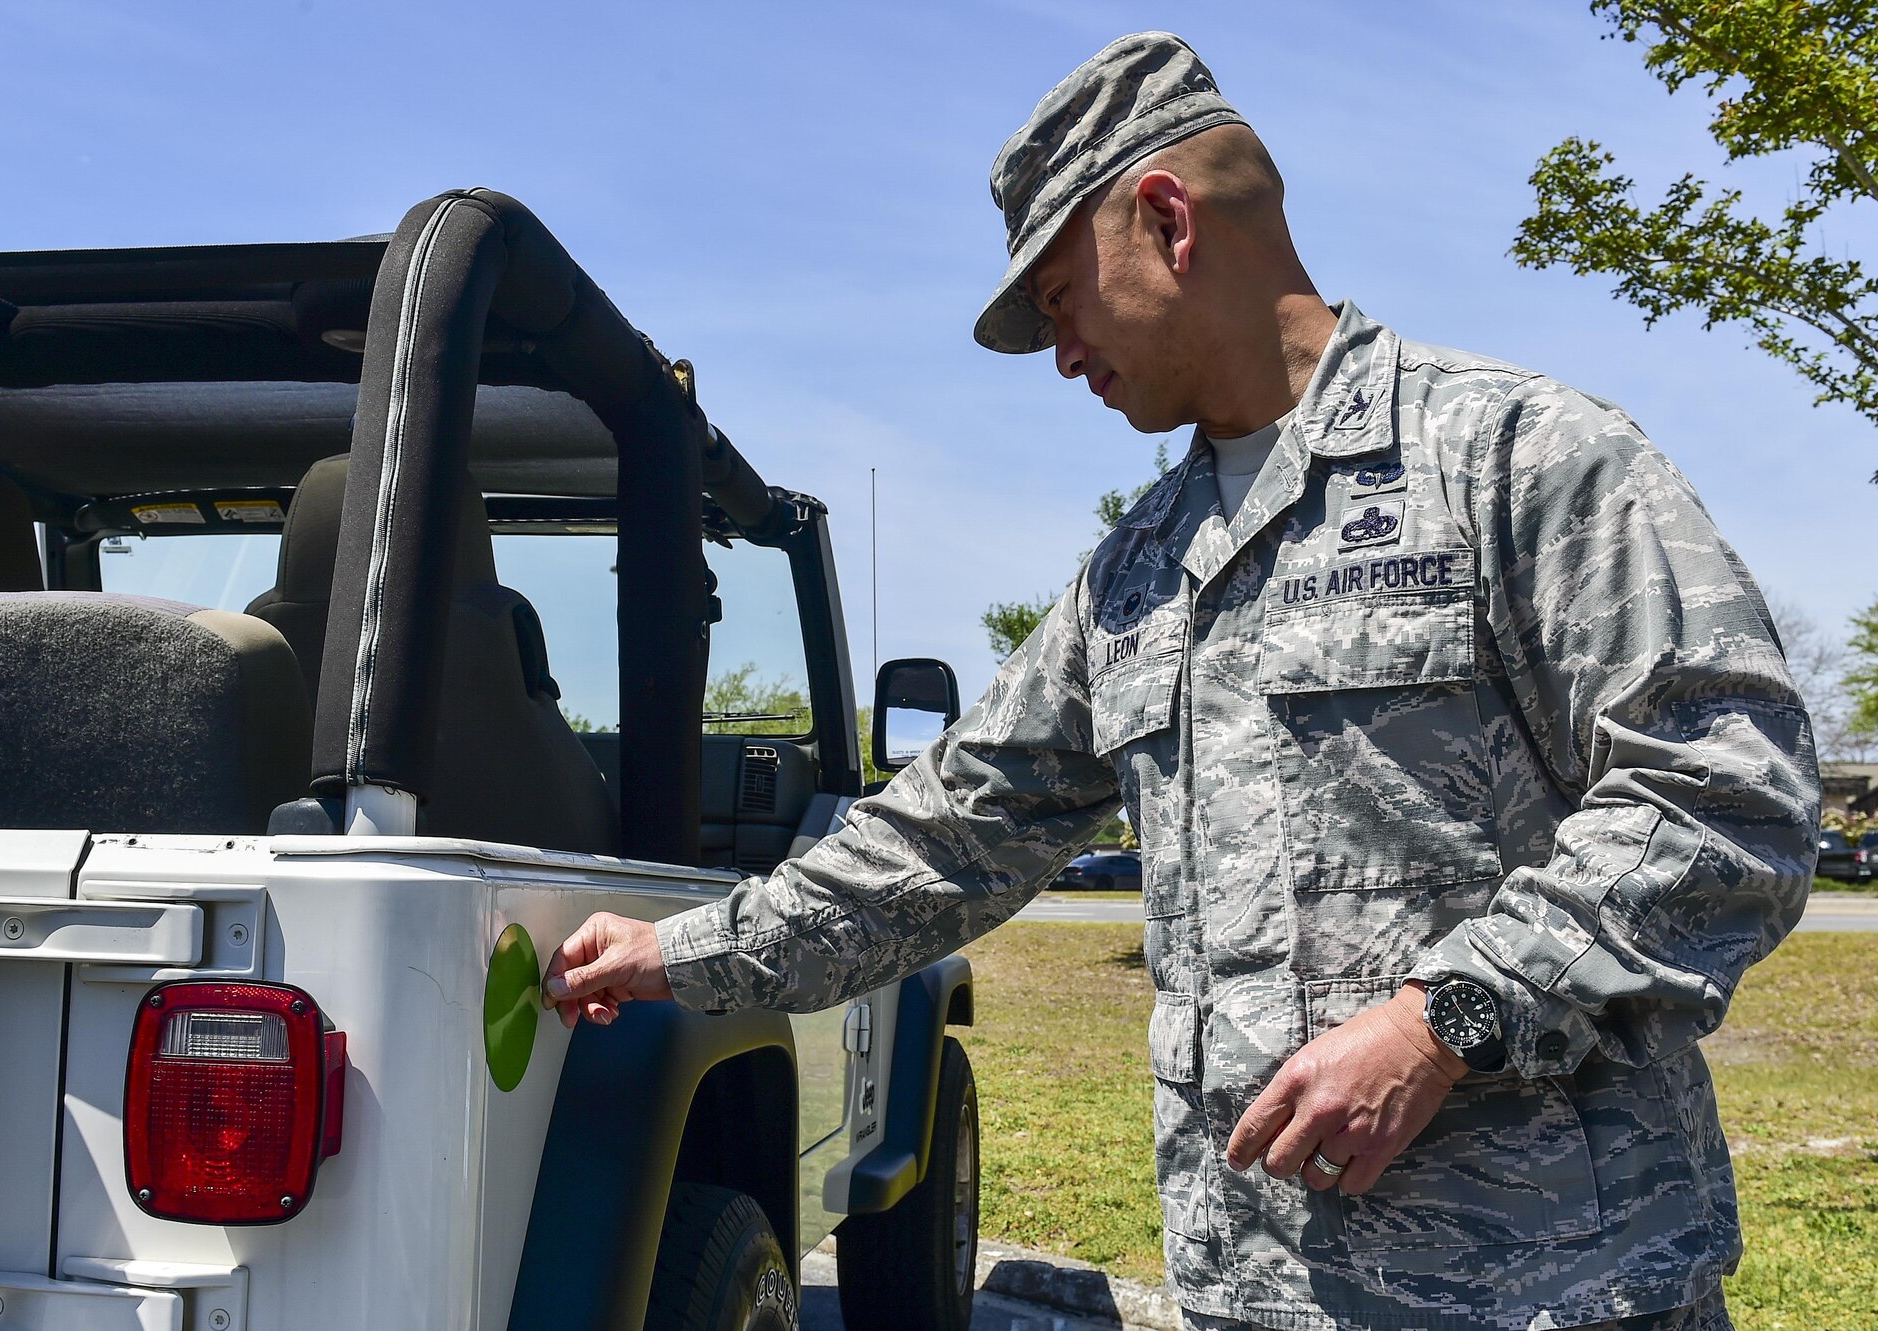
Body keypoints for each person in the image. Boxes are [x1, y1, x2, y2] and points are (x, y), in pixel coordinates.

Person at [545, 31, 1818, 1331]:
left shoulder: (1519, 459)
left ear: (1164, 219)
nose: (1060, 355)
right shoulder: (1137, 576)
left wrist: (1449, 1020)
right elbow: (942, 842)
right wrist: (678, 952)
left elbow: (1732, 791)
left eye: (1059, 301)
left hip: (1553, 1295)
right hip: (1252, 1295)